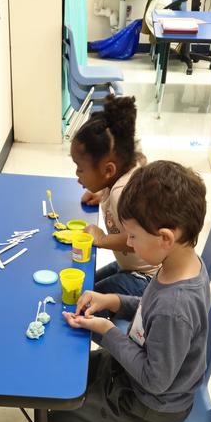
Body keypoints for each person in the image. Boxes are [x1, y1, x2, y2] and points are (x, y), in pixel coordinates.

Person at [48, 160, 210, 422]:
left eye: (133, 236)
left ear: (166, 237)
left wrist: (108, 332)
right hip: (136, 372)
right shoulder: (178, 265)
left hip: (152, 402)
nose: (129, 244)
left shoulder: (177, 305)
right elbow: (148, 310)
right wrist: (113, 301)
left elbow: (155, 379)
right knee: (58, 384)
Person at [70, 94, 157, 297]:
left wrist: (102, 239)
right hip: (131, 269)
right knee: (88, 284)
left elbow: (138, 238)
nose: (77, 174)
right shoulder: (127, 171)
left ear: (108, 170)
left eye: (80, 168)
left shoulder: (121, 193)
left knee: (86, 298)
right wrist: (102, 192)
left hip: (147, 281)